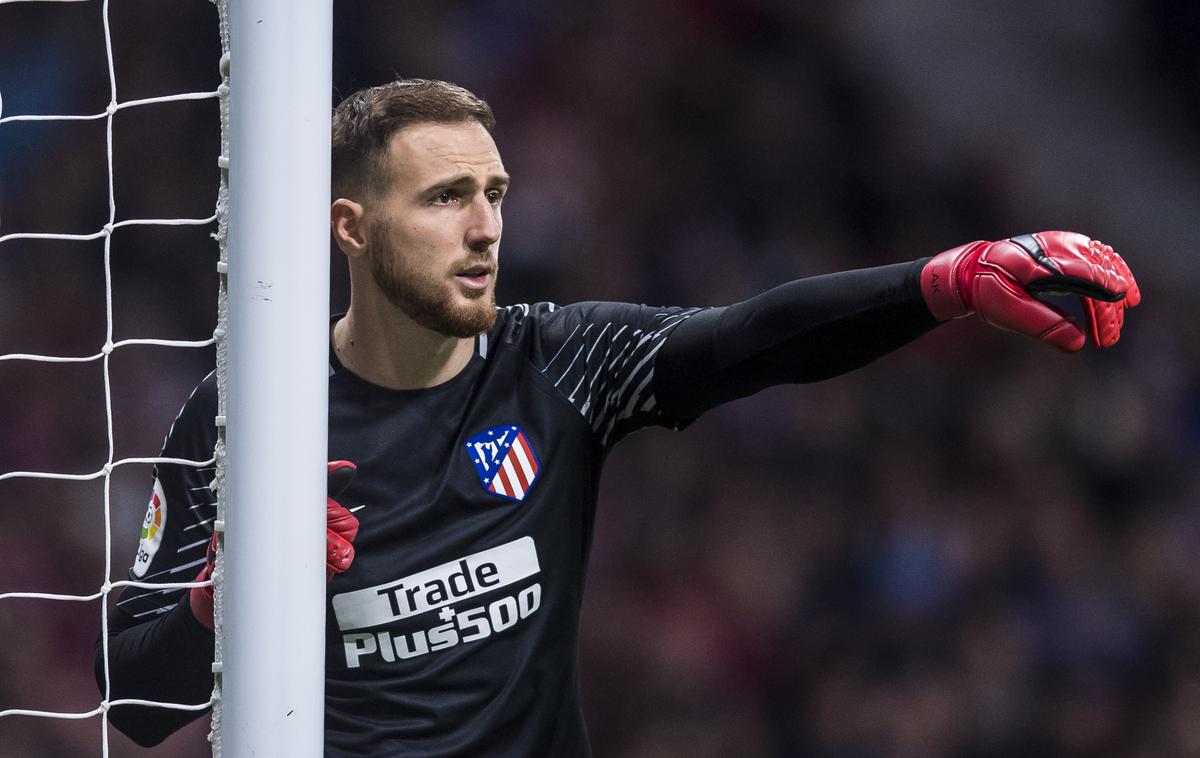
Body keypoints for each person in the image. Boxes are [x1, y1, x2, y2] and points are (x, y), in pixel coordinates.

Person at [96, 79, 1140, 757]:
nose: (487, 228)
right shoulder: (248, 412)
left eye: (496, 193)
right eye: (446, 197)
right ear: (352, 229)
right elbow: (134, 702)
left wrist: (942, 281)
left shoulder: (557, 359)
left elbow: (746, 338)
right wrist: (222, 600)